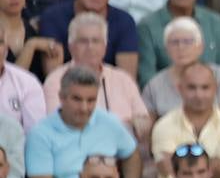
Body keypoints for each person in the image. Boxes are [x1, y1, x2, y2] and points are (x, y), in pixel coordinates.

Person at [24, 66, 138, 178]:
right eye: (77, 99)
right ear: (61, 98)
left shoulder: (109, 122)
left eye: (91, 100)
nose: (84, 108)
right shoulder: (40, 134)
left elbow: (132, 154)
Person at [41, 13, 150, 141]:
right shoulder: (56, 80)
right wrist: (124, 125)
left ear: (105, 46)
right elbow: (57, 125)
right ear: (70, 47)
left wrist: (139, 123)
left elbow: (144, 121)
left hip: (122, 151)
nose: (90, 47)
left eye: (96, 41)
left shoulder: (123, 79)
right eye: (83, 41)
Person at [149, 63, 220, 178]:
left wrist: (182, 167)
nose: (199, 95)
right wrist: (213, 164)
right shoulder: (164, 125)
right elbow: (166, 169)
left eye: (205, 88)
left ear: (215, 89)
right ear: (180, 89)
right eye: (192, 88)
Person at [37, 0, 137, 78]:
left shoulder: (124, 21)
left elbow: (126, 78)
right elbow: (53, 75)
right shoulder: (53, 17)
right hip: (66, 91)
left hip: (109, 89)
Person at [142, 19, 220, 128]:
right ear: (166, 50)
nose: (181, 47)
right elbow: (146, 131)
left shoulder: (219, 75)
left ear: (200, 47)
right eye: (174, 42)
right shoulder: (154, 85)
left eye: (188, 41)